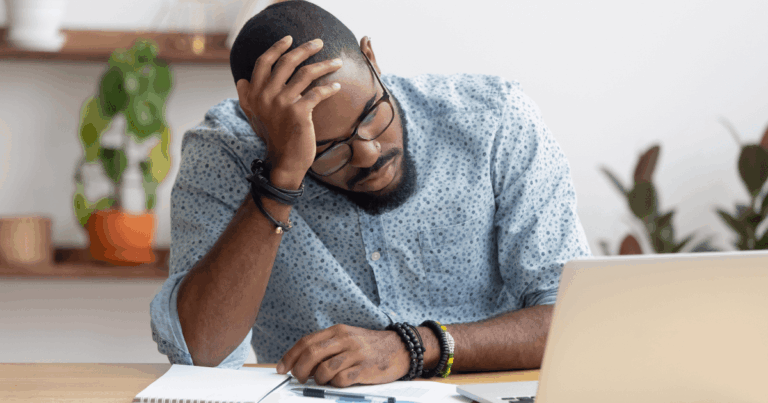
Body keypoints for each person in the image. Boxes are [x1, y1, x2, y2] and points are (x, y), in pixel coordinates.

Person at [150, 0, 592, 388]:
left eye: (372, 114)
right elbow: (201, 353)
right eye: (327, 150)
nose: (368, 153)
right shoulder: (223, 151)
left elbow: (576, 319)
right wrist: (281, 174)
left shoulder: (495, 122)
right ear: (257, 126)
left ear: (372, 59)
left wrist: (415, 347)